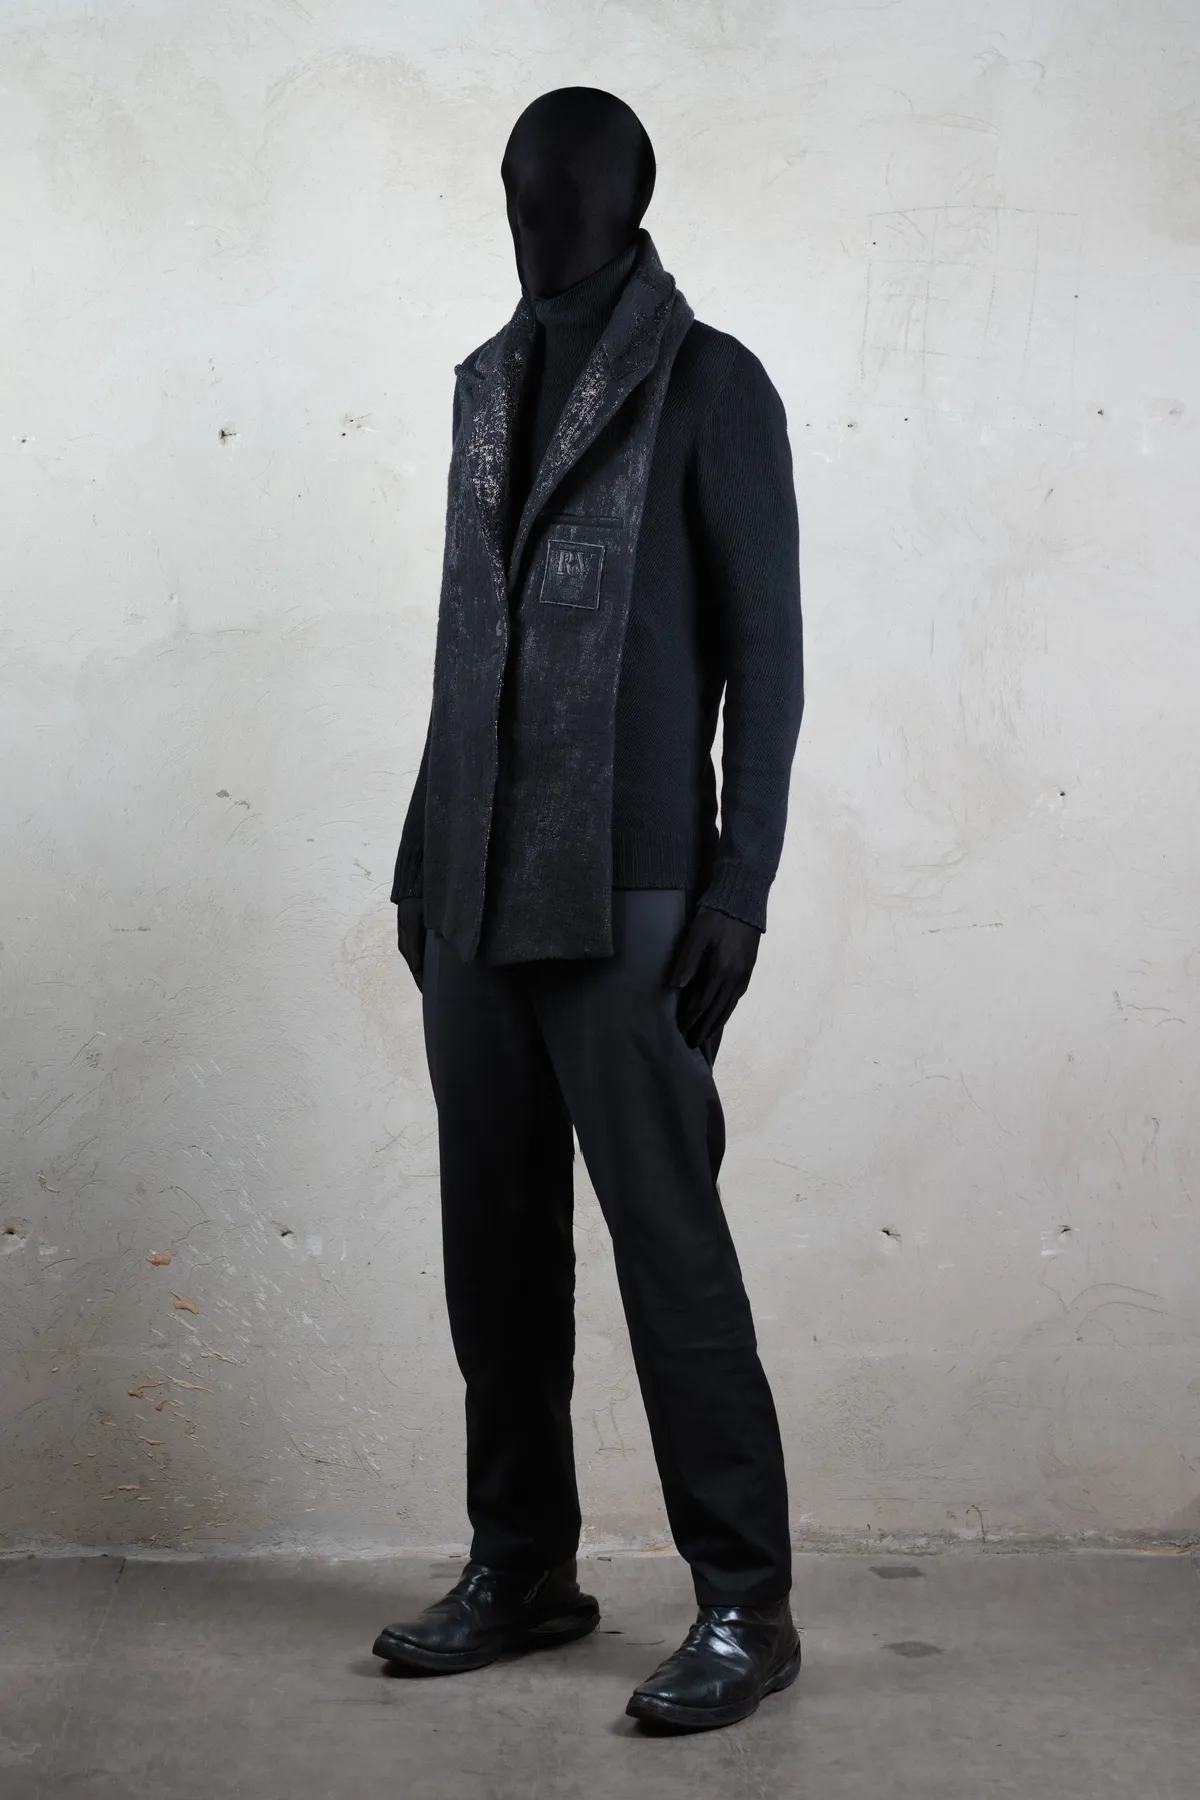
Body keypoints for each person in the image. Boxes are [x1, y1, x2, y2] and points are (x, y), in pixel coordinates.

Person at [372, 86, 805, 1733]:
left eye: (564, 188)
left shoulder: (712, 383)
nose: (534, 215)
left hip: (631, 888)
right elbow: (465, 640)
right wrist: (419, 855)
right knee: (492, 1252)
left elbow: (767, 656)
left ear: (630, 198)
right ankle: (522, 1570)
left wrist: (741, 884)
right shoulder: (483, 384)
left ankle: (746, 1604)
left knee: (670, 1251)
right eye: (516, 187)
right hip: (473, 887)